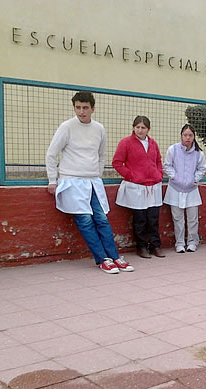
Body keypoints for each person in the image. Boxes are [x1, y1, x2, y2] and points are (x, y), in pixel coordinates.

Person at [45, 91, 133, 274]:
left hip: (93, 182)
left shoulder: (99, 129)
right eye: (78, 107)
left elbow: (101, 155)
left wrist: (97, 174)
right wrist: (52, 180)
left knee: (101, 219)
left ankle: (115, 257)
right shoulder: (66, 127)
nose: (81, 111)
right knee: (85, 221)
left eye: (85, 108)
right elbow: (52, 154)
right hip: (72, 181)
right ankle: (102, 259)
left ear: (93, 108)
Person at [112, 116, 164, 259]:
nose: (140, 130)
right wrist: (131, 176)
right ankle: (141, 247)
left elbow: (158, 160)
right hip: (137, 186)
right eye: (137, 127)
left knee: (153, 218)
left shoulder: (153, 143)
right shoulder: (126, 143)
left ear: (148, 129)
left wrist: (158, 174)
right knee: (140, 219)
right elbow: (117, 163)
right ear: (133, 127)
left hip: (153, 186)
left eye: (143, 128)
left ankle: (155, 246)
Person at [163, 124, 206, 253]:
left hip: (191, 189)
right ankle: (179, 243)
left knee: (193, 218)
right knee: (177, 218)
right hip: (175, 189)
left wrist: (195, 179)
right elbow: (167, 166)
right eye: (185, 135)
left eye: (190, 135)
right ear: (181, 136)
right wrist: (175, 177)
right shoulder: (173, 149)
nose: (187, 138)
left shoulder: (199, 153)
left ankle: (192, 242)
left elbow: (201, 169)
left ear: (194, 137)